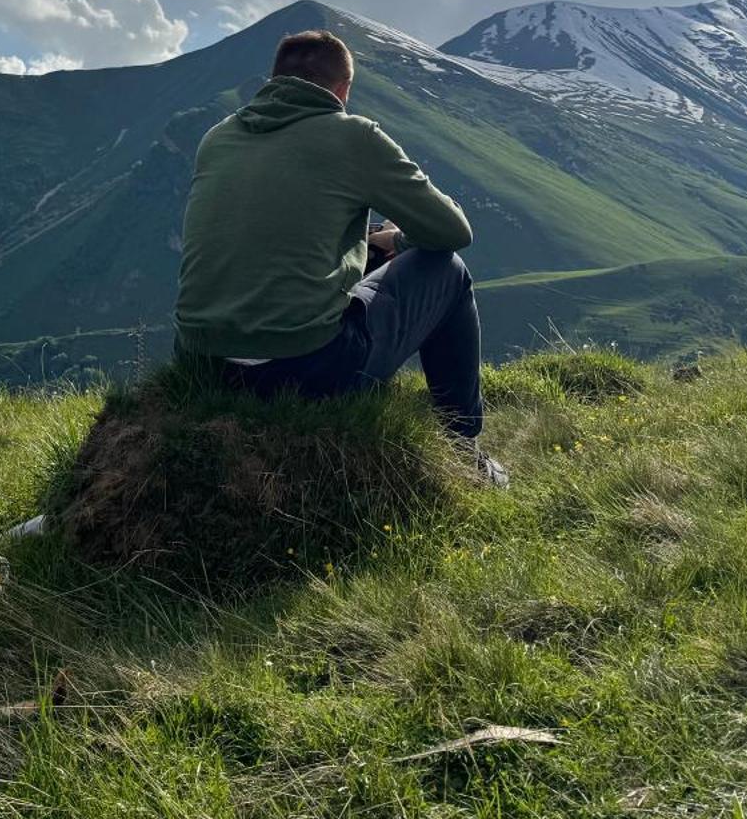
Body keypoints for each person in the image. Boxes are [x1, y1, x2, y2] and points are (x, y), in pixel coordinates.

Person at [173, 27, 508, 486]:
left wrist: (368, 244)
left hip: (204, 365)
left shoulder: (218, 137)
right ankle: (463, 451)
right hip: (304, 370)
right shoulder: (352, 135)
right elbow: (452, 231)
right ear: (343, 89)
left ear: (273, 81)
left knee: (363, 249)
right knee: (446, 269)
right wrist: (400, 242)